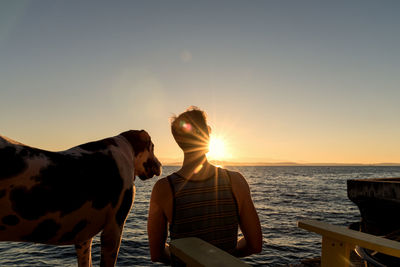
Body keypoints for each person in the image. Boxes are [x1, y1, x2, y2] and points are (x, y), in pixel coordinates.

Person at [147, 106, 262, 264]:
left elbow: (157, 253)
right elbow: (255, 245)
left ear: (179, 141)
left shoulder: (163, 188)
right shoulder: (236, 181)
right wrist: (221, 258)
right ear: (207, 135)